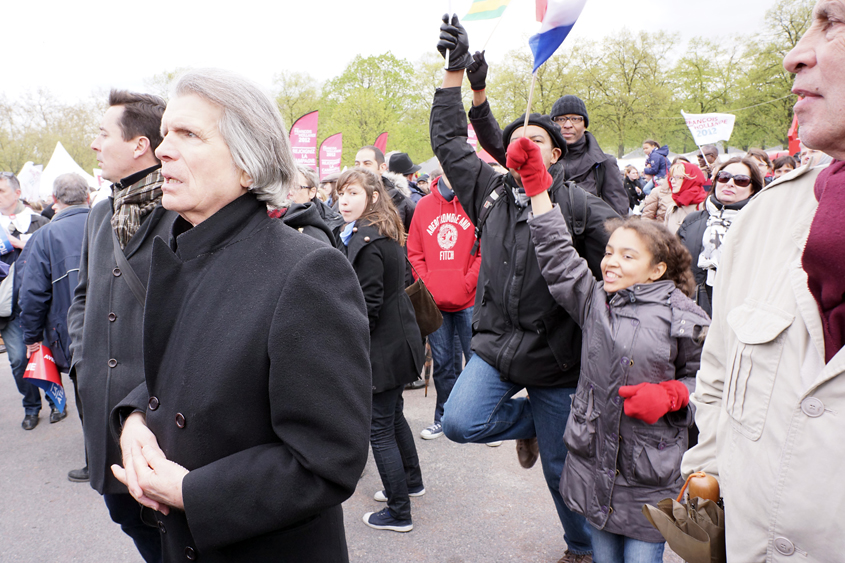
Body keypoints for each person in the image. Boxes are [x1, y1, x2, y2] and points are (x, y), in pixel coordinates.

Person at [110, 69, 371, 562]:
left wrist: (193, 493)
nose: (163, 149)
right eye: (166, 133)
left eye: (188, 134)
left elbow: (328, 458)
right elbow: (182, 368)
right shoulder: (181, 253)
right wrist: (135, 419)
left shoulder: (307, 271)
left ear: (249, 165)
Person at [432, 15, 620, 563]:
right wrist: (454, 73)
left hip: (558, 359)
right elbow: (447, 139)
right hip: (494, 348)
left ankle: (579, 547)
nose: (524, 145)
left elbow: (618, 268)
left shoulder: (580, 207)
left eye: (536, 140)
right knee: (460, 424)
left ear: (555, 155)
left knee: (563, 469)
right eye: (516, 140)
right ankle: (535, 426)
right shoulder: (487, 192)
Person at [682, 3, 845, 558]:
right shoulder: (768, 216)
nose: (794, 54)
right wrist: (702, 480)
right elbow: (719, 373)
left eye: (835, 22)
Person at [518, 133, 708, 563]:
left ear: (657, 268)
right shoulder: (594, 300)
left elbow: (713, 385)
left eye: (627, 256)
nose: (610, 262)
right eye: (608, 253)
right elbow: (557, 255)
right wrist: (536, 187)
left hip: (650, 475)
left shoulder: (688, 317)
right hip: (593, 464)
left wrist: (675, 395)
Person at [67, 89, 172, 560]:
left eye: (102, 133)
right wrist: (81, 359)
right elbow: (84, 296)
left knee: (171, 524)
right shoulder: (100, 212)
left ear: (139, 145)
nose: (94, 143)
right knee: (124, 513)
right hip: (101, 402)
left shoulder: (180, 212)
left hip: (160, 408)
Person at [335, 167, 424, 533]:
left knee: (379, 429)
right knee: (393, 416)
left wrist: (348, 349)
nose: (344, 199)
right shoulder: (378, 230)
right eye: (341, 192)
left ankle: (399, 511)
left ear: (371, 198)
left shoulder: (367, 239)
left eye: (353, 193)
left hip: (383, 348)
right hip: (398, 341)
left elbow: (367, 306)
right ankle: (411, 481)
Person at [464, 53, 629, 217]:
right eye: (561, 119)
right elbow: (491, 137)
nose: (568, 124)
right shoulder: (535, 155)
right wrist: (479, 90)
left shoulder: (604, 164)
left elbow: (617, 215)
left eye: (575, 118)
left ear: (585, 124)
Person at [407, 172, 481, 440]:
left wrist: (466, 283)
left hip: (469, 300)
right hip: (435, 302)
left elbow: (485, 251)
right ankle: (444, 417)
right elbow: (414, 251)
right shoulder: (424, 206)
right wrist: (429, 285)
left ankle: (480, 419)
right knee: (443, 364)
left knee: (477, 362)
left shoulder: (475, 203)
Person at [19, 173, 90, 393]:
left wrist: (32, 337)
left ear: (53, 198)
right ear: (88, 196)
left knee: (88, 405)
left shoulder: (43, 236)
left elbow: (32, 293)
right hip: (119, 333)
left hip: (73, 338)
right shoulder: (111, 222)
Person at [677, 157, 764, 316]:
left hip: (741, 313)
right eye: (724, 177)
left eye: (741, 181)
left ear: (753, 189)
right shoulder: (692, 221)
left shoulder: (762, 224)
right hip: (692, 312)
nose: (730, 183)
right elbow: (674, 267)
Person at [0, 171, 51, 430]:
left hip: (40, 303)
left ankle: (56, 401)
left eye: (2, 191)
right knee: (19, 359)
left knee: (48, 354)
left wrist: (18, 244)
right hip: (6, 309)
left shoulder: (39, 221)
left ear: (18, 193)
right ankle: (31, 407)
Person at [276, 164, 344, 245]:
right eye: (287, 186)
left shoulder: (335, 223)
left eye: (296, 187)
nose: (289, 192)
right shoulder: (275, 216)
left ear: (312, 192)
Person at [354, 145, 415, 233]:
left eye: (367, 163)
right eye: (357, 164)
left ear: (382, 168)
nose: (360, 168)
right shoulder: (345, 199)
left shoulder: (400, 202)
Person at [664, 161, 707, 234]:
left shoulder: (705, 207)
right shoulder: (672, 209)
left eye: (677, 177)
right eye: (671, 178)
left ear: (690, 180)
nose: (672, 182)